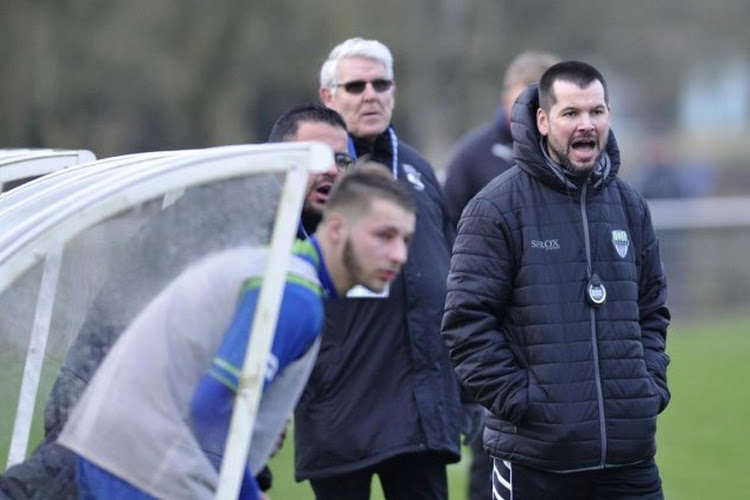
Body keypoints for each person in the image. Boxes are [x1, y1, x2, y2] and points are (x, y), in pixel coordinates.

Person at [0, 103, 354, 500]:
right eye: (317, 157)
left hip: (140, 422)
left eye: (343, 160)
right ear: (279, 161)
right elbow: (206, 370)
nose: (332, 171)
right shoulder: (243, 218)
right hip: (108, 410)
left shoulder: (281, 230)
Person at [57, 163, 417, 499]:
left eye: (405, 239)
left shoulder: (280, 267)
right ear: (337, 228)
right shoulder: (296, 296)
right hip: (142, 472)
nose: (399, 254)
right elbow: (212, 408)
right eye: (384, 236)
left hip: (117, 455)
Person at [441, 61, 671, 499]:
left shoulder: (630, 206)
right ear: (543, 121)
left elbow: (652, 309)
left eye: (596, 111)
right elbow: (466, 325)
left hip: (629, 459)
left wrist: (648, 386)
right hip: (536, 461)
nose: (586, 124)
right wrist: (524, 404)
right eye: (571, 113)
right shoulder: (495, 208)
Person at [293, 37, 473, 500]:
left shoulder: (416, 168)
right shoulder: (310, 172)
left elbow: (449, 271)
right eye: (355, 85)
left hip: (420, 408)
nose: (370, 94)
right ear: (328, 96)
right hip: (339, 405)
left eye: (381, 83)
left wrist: (465, 389)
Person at [440, 49, 559, 500]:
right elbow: (445, 234)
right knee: (491, 450)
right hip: (493, 331)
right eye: (521, 100)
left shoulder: (572, 156)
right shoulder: (471, 157)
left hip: (555, 331)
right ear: (506, 96)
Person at [442, 50, 560, 229]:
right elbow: (447, 224)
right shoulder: (471, 156)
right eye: (524, 102)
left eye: (542, 104)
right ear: (506, 99)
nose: (535, 113)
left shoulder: (577, 156)